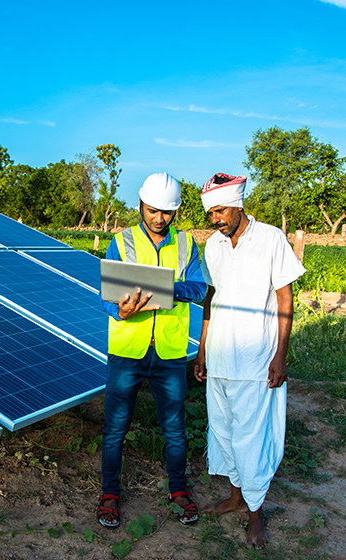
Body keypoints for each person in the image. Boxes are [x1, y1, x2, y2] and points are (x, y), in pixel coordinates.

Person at [192, 172, 305, 548]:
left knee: (251, 438)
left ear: (239, 204)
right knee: (223, 431)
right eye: (211, 213)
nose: (215, 219)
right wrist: (203, 349)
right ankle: (237, 497)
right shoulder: (214, 247)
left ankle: (256, 515)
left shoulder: (271, 238)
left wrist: (280, 355)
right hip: (221, 357)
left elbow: (285, 298)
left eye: (221, 211)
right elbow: (210, 299)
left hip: (257, 360)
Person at [97, 172, 207, 528]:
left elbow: (199, 288)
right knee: (115, 428)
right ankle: (109, 494)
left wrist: (170, 290)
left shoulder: (188, 244)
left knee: (174, 428)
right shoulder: (121, 241)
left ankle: (179, 491)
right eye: (154, 210)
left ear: (176, 212)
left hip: (170, 352)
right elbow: (108, 297)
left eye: (167, 212)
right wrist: (121, 310)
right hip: (128, 349)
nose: (160, 218)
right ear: (141, 204)